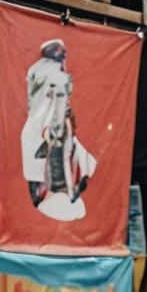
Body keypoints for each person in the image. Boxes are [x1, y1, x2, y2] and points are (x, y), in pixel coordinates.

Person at [20, 39, 96, 221]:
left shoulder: (42, 73)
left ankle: (61, 196)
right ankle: (55, 198)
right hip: (47, 129)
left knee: (64, 161)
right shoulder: (50, 75)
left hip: (45, 128)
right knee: (52, 165)